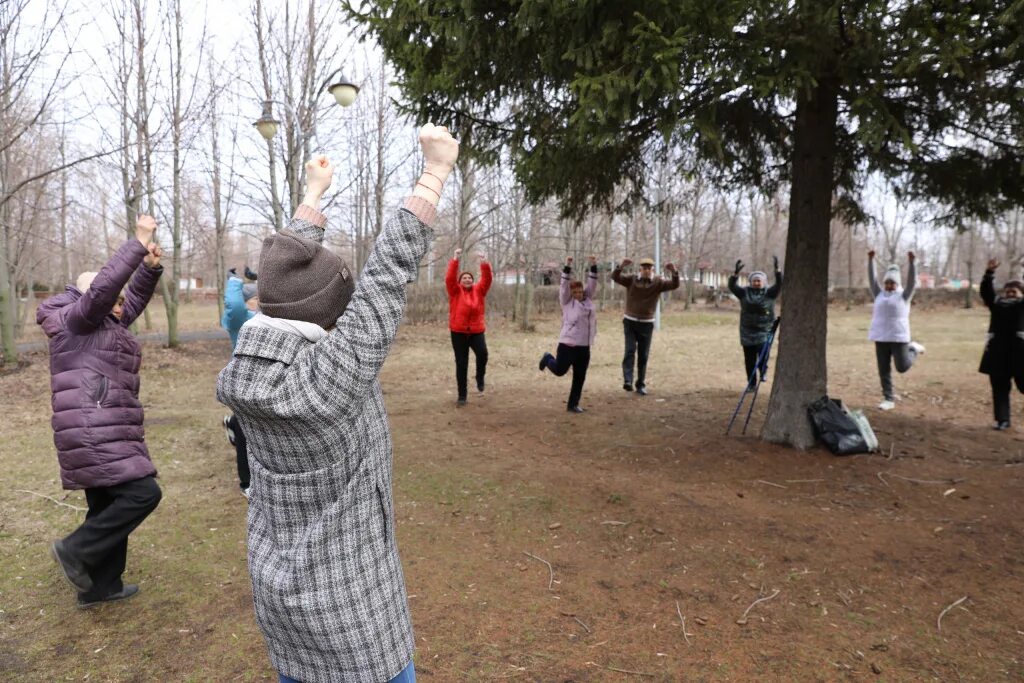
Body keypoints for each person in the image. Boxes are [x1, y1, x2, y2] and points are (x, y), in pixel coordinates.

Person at [217, 123, 458, 683]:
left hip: (283, 603)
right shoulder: (333, 378)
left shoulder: (248, 365)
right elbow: (387, 276)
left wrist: (313, 197)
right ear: (329, 316)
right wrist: (435, 171)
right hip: (355, 621)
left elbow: (285, 287)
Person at [36, 215, 165, 609]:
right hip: (96, 425)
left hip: (101, 422)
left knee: (107, 505)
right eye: (111, 294)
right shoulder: (76, 320)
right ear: (88, 294)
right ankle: (74, 550)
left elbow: (130, 300)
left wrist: (149, 269)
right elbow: (106, 290)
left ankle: (101, 587)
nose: (120, 301)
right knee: (143, 493)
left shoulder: (103, 322)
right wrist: (139, 241)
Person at [611, 257, 679, 395]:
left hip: (646, 324)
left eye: (649, 268)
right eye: (644, 268)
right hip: (630, 321)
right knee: (630, 351)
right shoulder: (632, 280)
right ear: (640, 269)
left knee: (643, 355)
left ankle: (640, 384)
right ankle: (628, 381)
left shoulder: (658, 282)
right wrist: (621, 266)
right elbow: (615, 277)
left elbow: (674, 285)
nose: (647, 270)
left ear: (652, 269)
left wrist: (674, 271)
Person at [539, 255, 599, 412]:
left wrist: (593, 264)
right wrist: (567, 266)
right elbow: (564, 285)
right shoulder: (566, 302)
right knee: (560, 371)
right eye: (575, 292)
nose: (578, 294)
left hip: (584, 346)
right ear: (571, 293)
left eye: (580, 291)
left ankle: (573, 404)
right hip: (568, 344)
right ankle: (547, 358)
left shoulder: (588, 301)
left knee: (580, 377)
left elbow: (592, 284)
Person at [867, 250, 926, 410]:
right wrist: (871, 259)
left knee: (902, 367)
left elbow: (912, 282)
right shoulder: (878, 294)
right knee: (883, 369)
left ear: (897, 283)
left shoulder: (904, 296)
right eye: (887, 282)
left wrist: (912, 263)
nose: (889, 285)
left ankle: (912, 349)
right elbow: (872, 279)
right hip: (880, 337)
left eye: (892, 283)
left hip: (898, 337)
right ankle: (888, 399)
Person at [220, 268, 259, 497]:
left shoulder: (262, 316)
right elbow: (234, 305)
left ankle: (232, 423)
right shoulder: (240, 320)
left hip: (262, 384)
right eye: (254, 300)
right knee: (246, 434)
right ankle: (247, 483)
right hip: (244, 385)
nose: (259, 302)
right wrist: (234, 281)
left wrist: (257, 279)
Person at [978, 258, 1024, 430]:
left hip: (1020, 353)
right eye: (1008, 292)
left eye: (1015, 292)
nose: (1010, 294)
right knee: (1000, 389)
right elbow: (986, 292)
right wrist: (989, 273)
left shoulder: (1022, 306)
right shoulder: (997, 305)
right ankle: (1002, 420)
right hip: (998, 354)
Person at [445, 246, 492, 405]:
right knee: (461, 363)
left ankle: (480, 377)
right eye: (464, 278)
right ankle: (462, 396)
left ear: (473, 281)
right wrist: (455, 259)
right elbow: (450, 278)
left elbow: (487, 279)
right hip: (458, 332)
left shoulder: (479, 290)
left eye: (469, 278)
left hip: (476, 331)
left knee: (483, 353)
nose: (467, 279)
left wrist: (484, 262)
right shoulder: (455, 291)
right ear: (460, 281)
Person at [728, 256, 783, 387]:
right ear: (751, 282)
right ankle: (751, 383)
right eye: (755, 280)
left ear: (764, 282)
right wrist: (735, 274)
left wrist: (778, 271)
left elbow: (780, 284)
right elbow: (732, 286)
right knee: (749, 359)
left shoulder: (770, 293)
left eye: (759, 280)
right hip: (747, 330)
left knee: (763, 354)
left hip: (764, 329)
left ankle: (763, 371)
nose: (757, 283)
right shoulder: (743, 293)